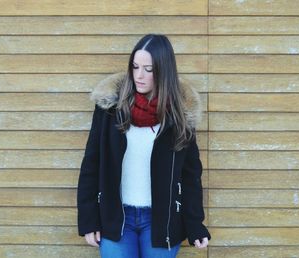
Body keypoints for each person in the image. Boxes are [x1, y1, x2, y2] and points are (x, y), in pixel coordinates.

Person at [77, 34, 211, 258]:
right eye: (135, 66)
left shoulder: (179, 115)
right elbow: (92, 164)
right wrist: (89, 219)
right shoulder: (110, 109)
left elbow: (190, 175)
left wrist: (195, 223)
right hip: (116, 219)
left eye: (148, 69)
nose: (139, 75)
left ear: (163, 70)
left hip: (161, 223)